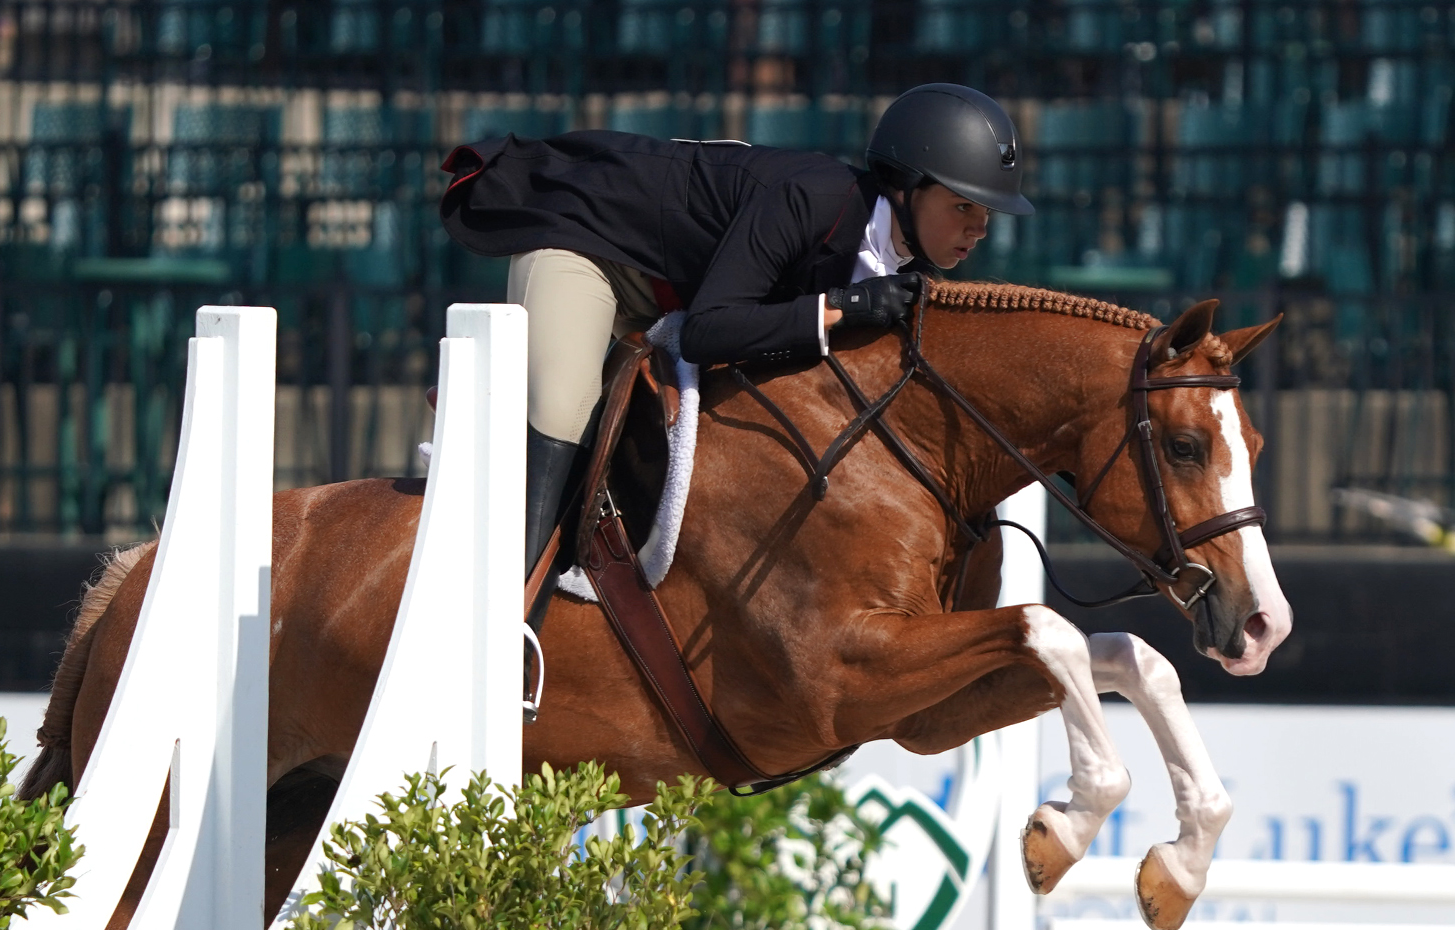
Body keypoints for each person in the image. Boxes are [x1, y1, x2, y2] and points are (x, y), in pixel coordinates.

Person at [438, 82, 1034, 591]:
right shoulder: (814, 198)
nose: (980, 228)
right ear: (906, 187)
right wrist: (842, 307)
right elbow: (709, 331)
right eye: (963, 207)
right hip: (589, 246)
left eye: (986, 213)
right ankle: (509, 618)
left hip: (670, 288)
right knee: (566, 406)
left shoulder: (905, 269)